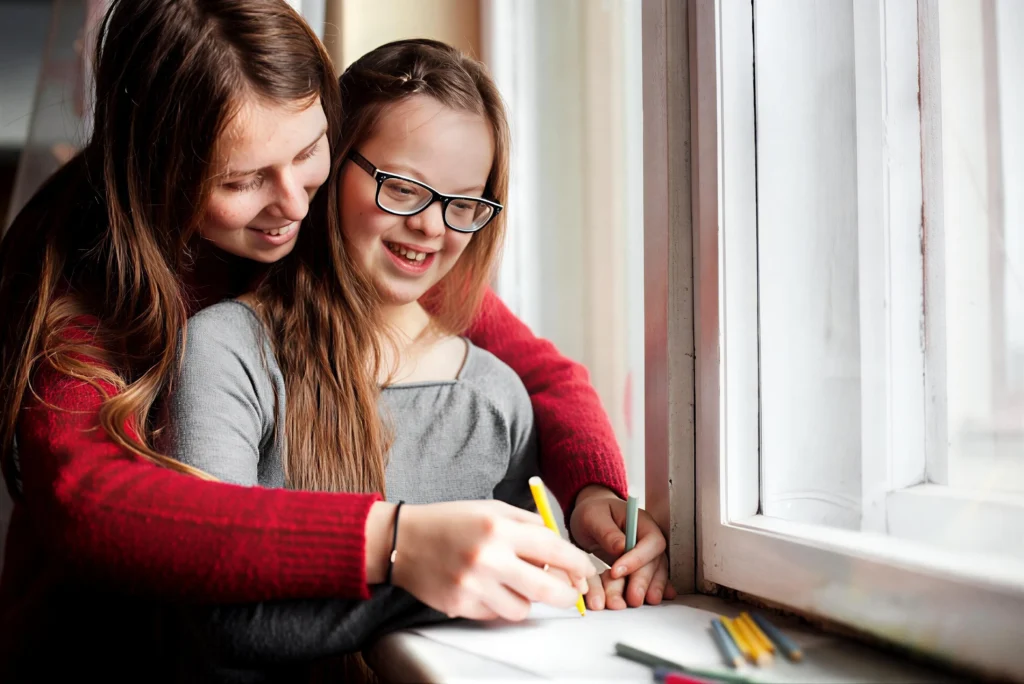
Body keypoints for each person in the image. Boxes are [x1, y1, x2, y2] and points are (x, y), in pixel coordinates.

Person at [0, 1, 668, 681]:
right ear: (159, 172)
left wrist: (593, 492)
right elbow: (90, 504)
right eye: (242, 179)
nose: (294, 202)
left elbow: (546, 375)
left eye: (307, 152)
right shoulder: (85, 288)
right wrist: (396, 539)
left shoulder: (331, 223)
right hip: (92, 654)